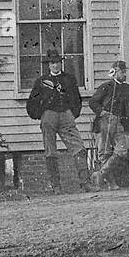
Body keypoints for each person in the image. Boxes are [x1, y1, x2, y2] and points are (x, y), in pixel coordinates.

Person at [25, 48, 89, 194]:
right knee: (50, 151)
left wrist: (72, 114)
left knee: (78, 147)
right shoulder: (41, 82)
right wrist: (41, 114)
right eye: (52, 63)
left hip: (66, 116)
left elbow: (76, 99)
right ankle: (56, 186)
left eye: (58, 62)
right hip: (49, 117)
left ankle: (85, 182)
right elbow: (31, 103)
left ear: (61, 63)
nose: (55, 65)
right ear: (48, 65)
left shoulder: (69, 79)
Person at [89, 60, 129, 188]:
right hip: (105, 120)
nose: (124, 74)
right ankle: (111, 183)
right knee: (105, 152)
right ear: (114, 72)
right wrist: (101, 112)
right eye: (121, 71)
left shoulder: (127, 88)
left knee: (122, 151)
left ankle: (100, 174)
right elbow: (93, 102)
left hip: (118, 121)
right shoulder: (106, 86)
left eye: (125, 71)